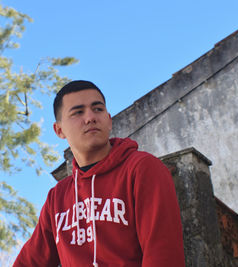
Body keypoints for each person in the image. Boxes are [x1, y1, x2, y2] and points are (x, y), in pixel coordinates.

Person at [13, 80, 185, 266]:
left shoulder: (142, 169)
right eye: (78, 112)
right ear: (59, 130)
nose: (90, 117)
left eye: (97, 109)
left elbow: (163, 255)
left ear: (109, 120)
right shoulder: (57, 198)